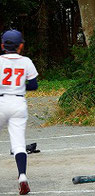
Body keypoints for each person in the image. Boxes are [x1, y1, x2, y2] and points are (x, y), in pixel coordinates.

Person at [0, 30, 38, 195]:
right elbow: (34, 85)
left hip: (1, 101)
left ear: (3, 46)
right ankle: (22, 176)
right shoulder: (26, 61)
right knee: (18, 144)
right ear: (20, 46)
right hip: (18, 103)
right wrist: (21, 86)